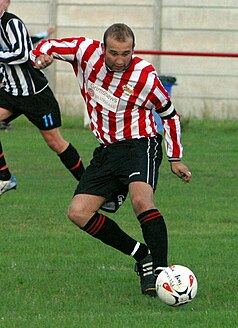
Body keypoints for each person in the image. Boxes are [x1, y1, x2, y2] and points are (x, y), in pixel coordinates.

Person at [32, 23, 192, 297]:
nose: (120, 60)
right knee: (78, 212)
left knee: (141, 200)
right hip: (107, 150)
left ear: (133, 50)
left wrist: (174, 156)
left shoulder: (145, 76)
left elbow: (169, 113)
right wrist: (41, 56)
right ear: (103, 47)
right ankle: (142, 255)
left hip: (140, 144)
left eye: (126, 54)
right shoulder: (85, 51)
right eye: (114, 53)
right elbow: (49, 45)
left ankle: (164, 274)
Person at [0, 0, 84, 195]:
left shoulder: (13, 23)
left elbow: (21, 54)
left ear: (7, 2)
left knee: (55, 142)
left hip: (36, 95)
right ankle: (5, 178)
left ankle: (88, 184)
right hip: (11, 92)